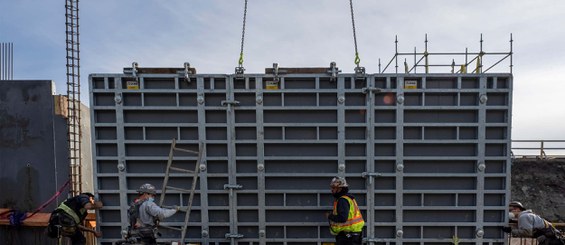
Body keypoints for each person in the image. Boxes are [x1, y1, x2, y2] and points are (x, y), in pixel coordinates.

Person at [326, 176, 364, 245]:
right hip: (352, 235)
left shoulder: (342, 200)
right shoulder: (349, 198)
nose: (332, 190)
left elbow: (343, 218)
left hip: (347, 237)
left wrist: (330, 216)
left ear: (340, 189)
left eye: (334, 188)